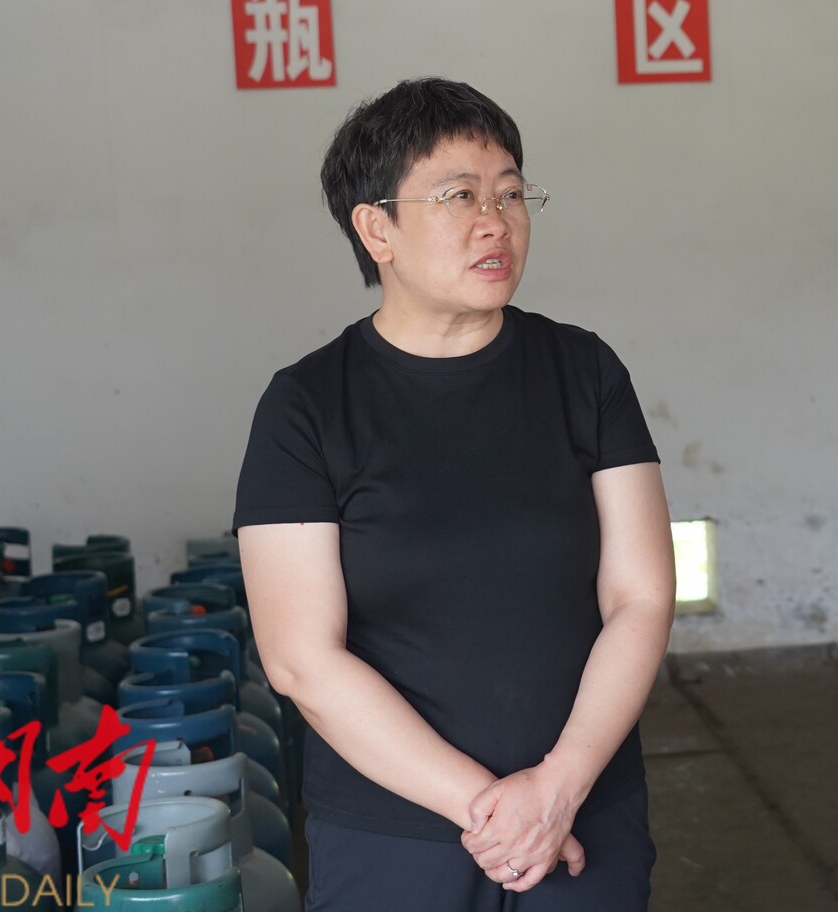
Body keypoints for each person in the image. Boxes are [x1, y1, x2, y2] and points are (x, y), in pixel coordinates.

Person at [234, 78, 675, 910]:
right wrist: (495, 811)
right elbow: (300, 658)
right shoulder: (308, 406)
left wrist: (560, 786)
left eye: (511, 193)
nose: (495, 221)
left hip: (586, 812)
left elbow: (641, 597)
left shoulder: (583, 372)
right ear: (377, 229)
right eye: (459, 196)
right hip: (394, 839)